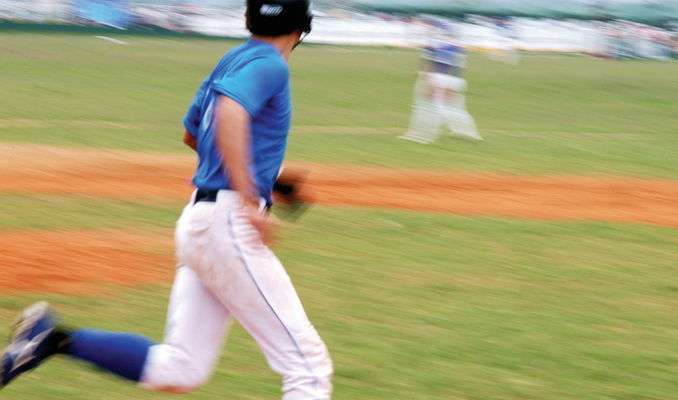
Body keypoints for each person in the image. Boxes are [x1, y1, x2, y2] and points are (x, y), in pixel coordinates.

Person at [0, 1, 333, 399]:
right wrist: (248, 195)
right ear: (303, 26)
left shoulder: (231, 60)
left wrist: (268, 179)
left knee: (182, 368)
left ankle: (51, 340)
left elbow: (195, 135)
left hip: (202, 223)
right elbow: (229, 113)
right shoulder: (270, 64)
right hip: (228, 223)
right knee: (308, 366)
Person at [399, 23, 482, 144]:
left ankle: (423, 135)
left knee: (430, 107)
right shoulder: (458, 48)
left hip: (441, 78)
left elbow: (433, 64)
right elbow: (459, 68)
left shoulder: (437, 45)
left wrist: (429, 79)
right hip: (456, 80)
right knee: (456, 109)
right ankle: (470, 133)